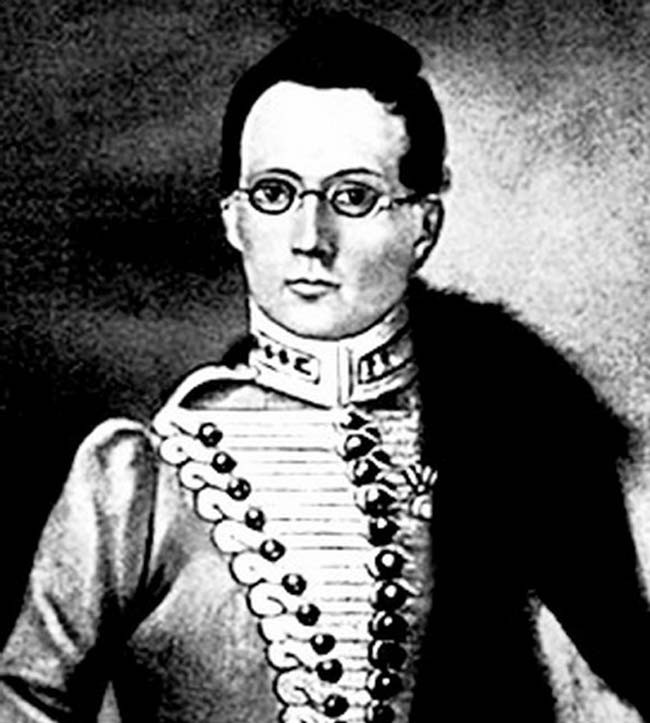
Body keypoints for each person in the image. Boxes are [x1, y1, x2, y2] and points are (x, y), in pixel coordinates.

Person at [1, 13, 649, 723]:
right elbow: (25, 700)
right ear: (233, 218)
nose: (311, 239)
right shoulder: (139, 482)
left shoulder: (519, 443)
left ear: (424, 224)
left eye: (354, 197)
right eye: (275, 195)